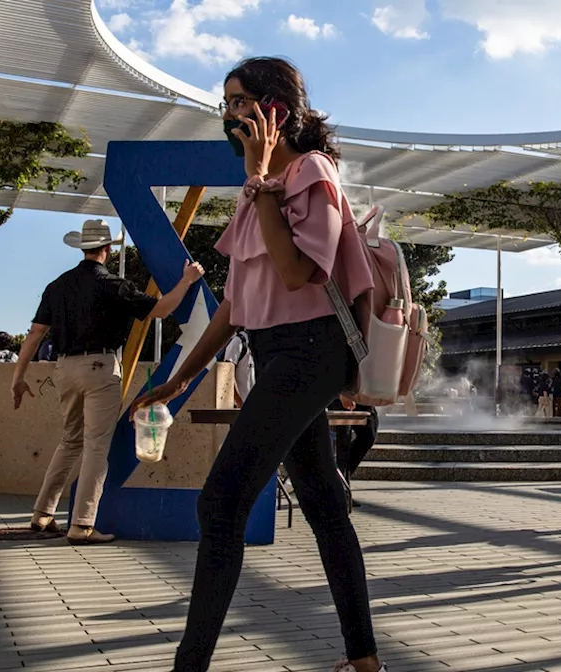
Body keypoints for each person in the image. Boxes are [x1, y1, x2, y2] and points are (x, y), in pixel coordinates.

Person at [131, 57, 385, 672]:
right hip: (275, 356)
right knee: (324, 504)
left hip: (311, 351)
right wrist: (179, 377)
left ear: (273, 108)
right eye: (224, 104)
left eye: (237, 101)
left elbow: (300, 271)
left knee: (220, 505)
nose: (228, 114)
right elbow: (235, 309)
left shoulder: (311, 173)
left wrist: (261, 181)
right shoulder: (257, 193)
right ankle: (365, 660)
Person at [11, 219, 203, 545]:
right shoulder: (114, 285)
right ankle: (82, 525)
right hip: (100, 367)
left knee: (70, 441)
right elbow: (160, 310)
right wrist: (186, 281)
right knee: (97, 447)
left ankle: (42, 514)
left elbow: (34, 335)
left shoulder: (57, 286)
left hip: (65, 369)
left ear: (83, 248)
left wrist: (18, 378)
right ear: (108, 249)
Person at [222, 328, 255, 407]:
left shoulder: (259, 345)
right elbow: (227, 374)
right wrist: (239, 403)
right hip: (241, 406)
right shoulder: (238, 342)